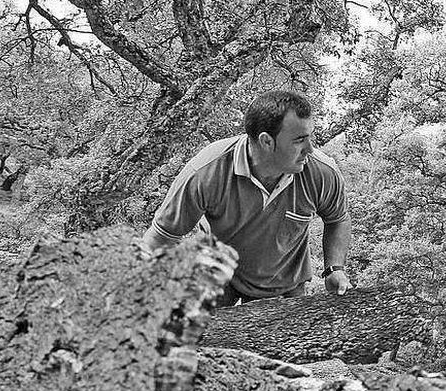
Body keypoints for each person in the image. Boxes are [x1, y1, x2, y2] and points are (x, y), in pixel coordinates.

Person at [141, 90, 353, 304]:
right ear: (266, 142)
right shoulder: (206, 172)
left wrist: (334, 268)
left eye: (310, 138)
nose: (310, 149)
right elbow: (161, 236)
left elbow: (338, 219)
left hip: (286, 284)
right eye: (299, 140)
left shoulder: (321, 172)